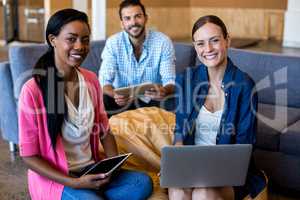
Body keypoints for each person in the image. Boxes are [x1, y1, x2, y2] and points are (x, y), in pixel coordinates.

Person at [18, 8, 152, 200]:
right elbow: (29, 156)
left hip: (91, 170)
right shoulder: (33, 90)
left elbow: (105, 131)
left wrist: (113, 166)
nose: (80, 46)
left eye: (85, 39)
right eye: (71, 39)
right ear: (52, 40)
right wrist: (74, 183)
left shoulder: (90, 80)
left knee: (142, 183)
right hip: (59, 180)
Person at [170, 15, 266, 200]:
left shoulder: (245, 85)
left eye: (214, 40)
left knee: (203, 194)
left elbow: (245, 144)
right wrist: (177, 159)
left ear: (227, 40)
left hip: (228, 172)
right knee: (177, 191)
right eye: (200, 43)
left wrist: (210, 175)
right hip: (192, 166)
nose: (208, 49)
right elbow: (180, 130)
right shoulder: (186, 79)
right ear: (195, 46)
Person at [99, 0, 176, 116]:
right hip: (122, 102)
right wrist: (115, 95)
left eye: (138, 16)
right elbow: (104, 82)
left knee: (173, 99)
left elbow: (170, 81)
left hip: (153, 101)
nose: (133, 22)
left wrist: (164, 91)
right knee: (104, 99)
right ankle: (109, 132)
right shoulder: (113, 43)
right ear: (122, 23)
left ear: (145, 18)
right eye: (127, 18)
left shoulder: (163, 42)